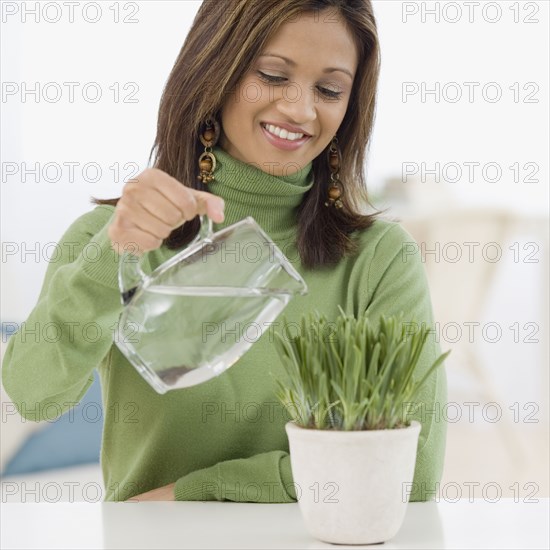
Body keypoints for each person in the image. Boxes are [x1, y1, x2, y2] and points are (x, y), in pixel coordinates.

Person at [2, 0, 447, 502]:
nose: (301, 109)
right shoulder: (112, 235)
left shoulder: (380, 258)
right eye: (274, 75)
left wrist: (198, 491)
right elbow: (33, 395)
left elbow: (415, 468)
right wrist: (111, 256)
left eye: (329, 89)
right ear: (217, 70)